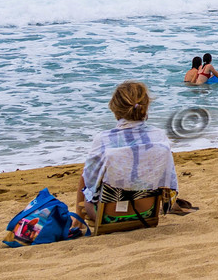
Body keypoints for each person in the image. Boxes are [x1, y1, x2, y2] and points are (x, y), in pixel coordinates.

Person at [75, 81, 178, 222]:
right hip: (146, 213)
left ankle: (77, 221)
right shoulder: (159, 136)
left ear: (114, 107)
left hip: (108, 216)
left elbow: (90, 181)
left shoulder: (103, 139)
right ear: (145, 106)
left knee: (85, 175)